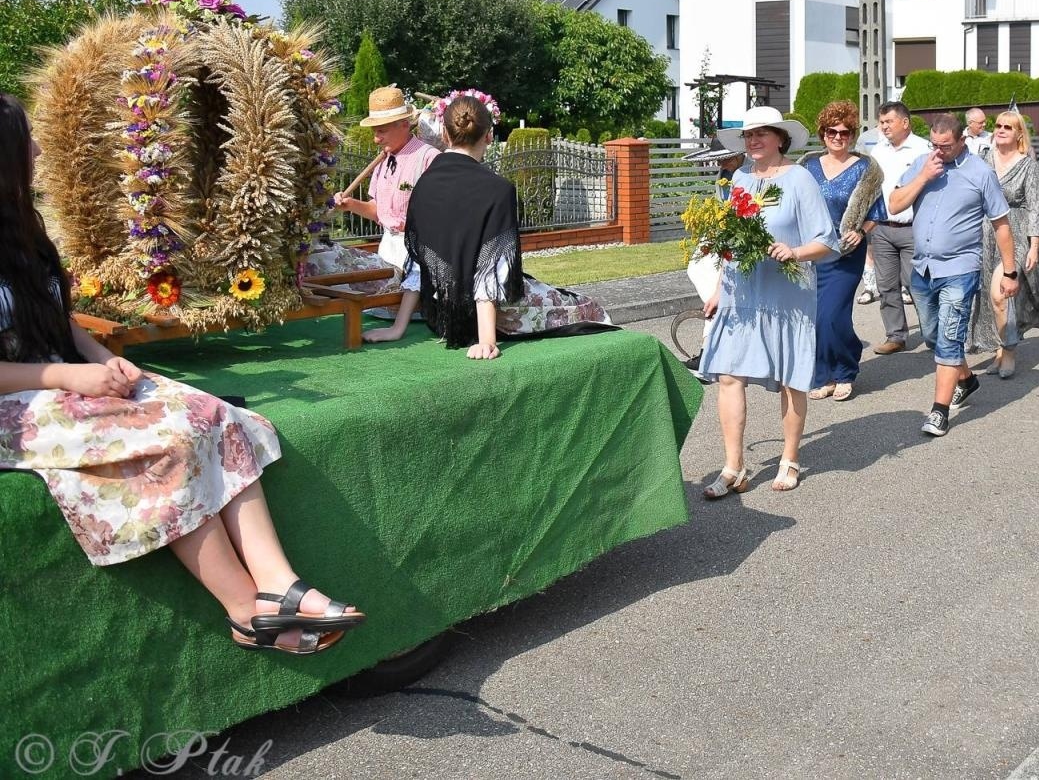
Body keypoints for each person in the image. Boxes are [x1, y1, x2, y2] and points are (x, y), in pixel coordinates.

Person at [0, 93, 363, 655]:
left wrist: (101, 358)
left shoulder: (23, 228)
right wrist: (67, 378)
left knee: (210, 411)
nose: (39, 150)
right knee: (168, 443)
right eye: (28, 141)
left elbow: (58, 319)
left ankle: (279, 582)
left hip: (61, 377)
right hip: (16, 406)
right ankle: (245, 611)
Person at [698, 107, 838, 496]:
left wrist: (794, 252)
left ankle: (790, 458)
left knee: (791, 379)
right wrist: (719, 287)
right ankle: (734, 467)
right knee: (728, 375)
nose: (753, 140)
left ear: (780, 138)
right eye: (748, 135)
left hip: (786, 295)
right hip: (741, 292)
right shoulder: (739, 179)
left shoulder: (800, 179)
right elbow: (729, 239)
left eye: (762, 133)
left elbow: (827, 240)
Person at [405, 96, 610, 357]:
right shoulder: (498, 190)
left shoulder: (423, 185)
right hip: (495, 318)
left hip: (440, 318)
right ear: (489, 136)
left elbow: (417, 263)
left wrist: (399, 327)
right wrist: (486, 339)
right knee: (590, 309)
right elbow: (491, 268)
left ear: (445, 134)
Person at [888, 113, 1016, 438]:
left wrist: (1010, 272)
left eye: (945, 146)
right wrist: (923, 177)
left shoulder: (981, 173)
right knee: (933, 336)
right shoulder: (923, 163)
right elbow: (894, 204)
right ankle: (967, 380)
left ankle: (939, 412)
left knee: (948, 339)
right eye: (934, 144)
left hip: (960, 269)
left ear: (962, 140)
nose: (938, 150)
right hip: (923, 268)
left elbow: (1002, 224)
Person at [332, 86, 440, 343]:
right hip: (388, 251)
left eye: (381, 131)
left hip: (417, 255)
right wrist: (351, 205)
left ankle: (405, 313)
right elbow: (378, 212)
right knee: (330, 258)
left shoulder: (429, 158)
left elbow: (437, 222)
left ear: (404, 124)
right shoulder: (384, 160)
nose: (376, 139)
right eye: (375, 131)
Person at [968, 110, 1039, 376]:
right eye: (999, 126)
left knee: (1000, 293)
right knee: (991, 298)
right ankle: (999, 350)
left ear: (1018, 134)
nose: (1001, 130)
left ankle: (1010, 351)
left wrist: (1034, 246)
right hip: (985, 232)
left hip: (1016, 231)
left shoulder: (1028, 165)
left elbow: (1034, 207)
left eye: (1008, 127)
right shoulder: (983, 159)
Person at [802, 101, 884, 402]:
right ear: (822, 133)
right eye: (831, 131)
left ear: (852, 135)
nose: (838, 137)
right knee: (815, 317)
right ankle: (823, 374)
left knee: (831, 315)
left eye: (845, 132)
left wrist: (860, 232)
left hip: (846, 254)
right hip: (812, 252)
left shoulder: (866, 169)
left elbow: (878, 211)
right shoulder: (807, 165)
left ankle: (845, 370)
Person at [867, 101, 930, 356]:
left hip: (913, 228)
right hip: (882, 229)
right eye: (881, 122)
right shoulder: (878, 151)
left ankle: (933, 334)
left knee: (917, 285)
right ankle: (895, 336)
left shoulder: (922, 149)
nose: (883, 127)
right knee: (886, 286)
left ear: (905, 122)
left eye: (888, 122)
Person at [682, 141, 747, 377]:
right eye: (719, 159)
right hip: (723, 231)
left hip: (742, 233)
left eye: (725, 158)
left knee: (719, 283)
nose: (721, 163)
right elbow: (720, 207)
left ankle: (710, 350)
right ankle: (714, 339)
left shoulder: (749, 173)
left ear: (738, 155)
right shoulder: (724, 174)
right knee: (697, 268)